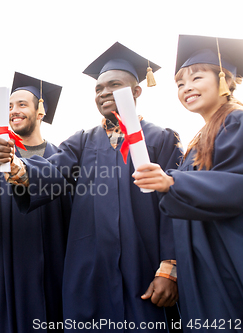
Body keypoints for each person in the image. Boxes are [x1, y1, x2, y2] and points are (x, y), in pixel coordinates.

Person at [0, 43, 183, 331]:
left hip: (142, 266)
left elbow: (175, 208)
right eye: (98, 88)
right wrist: (18, 167)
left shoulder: (161, 139)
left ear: (136, 91)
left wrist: (170, 267)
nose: (104, 92)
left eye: (114, 85)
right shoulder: (82, 141)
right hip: (90, 271)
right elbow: (52, 170)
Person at [133, 35, 243, 330]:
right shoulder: (200, 139)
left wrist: (172, 182)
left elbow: (237, 185)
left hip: (228, 258)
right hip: (203, 264)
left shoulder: (237, 122)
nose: (186, 87)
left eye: (196, 77)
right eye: (180, 84)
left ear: (225, 79)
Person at [0, 72, 72, 333]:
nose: (14, 111)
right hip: (3, 272)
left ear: (41, 111)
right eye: (10, 107)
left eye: (22, 105)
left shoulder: (62, 159)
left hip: (53, 271)